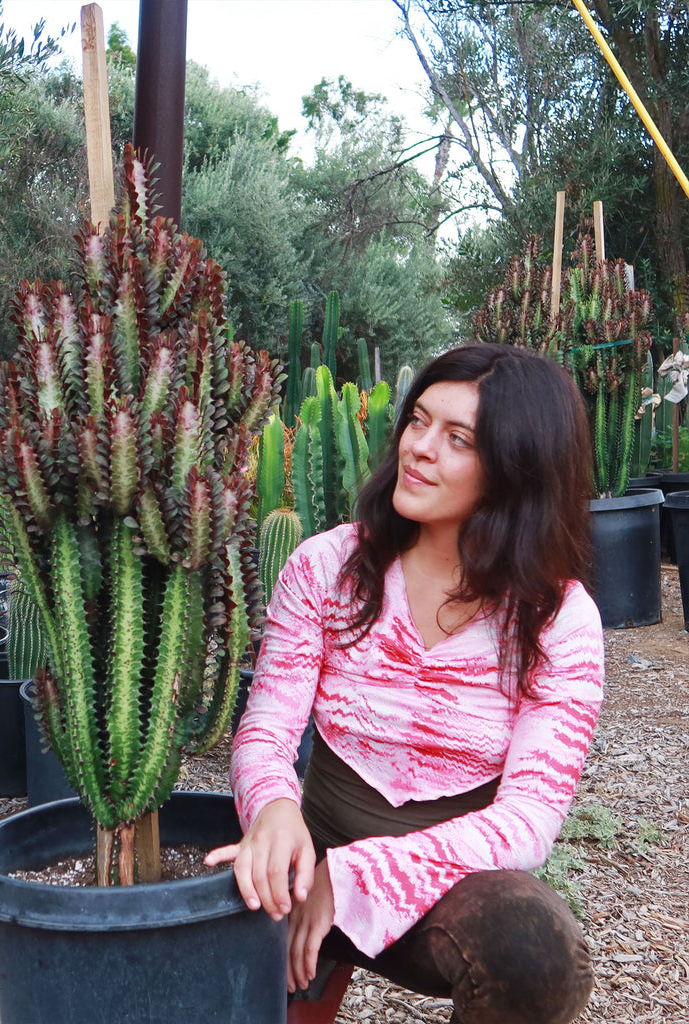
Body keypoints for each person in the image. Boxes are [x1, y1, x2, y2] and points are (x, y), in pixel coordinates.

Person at [206, 344, 605, 1024]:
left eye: (458, 440)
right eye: (418, 421)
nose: (419, 448)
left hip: (441, 886)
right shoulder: (329, 566)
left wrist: (359, 877)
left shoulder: (557, 618)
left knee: (537, 955)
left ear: (518, 469)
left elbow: (530, 819)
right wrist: (274, 814)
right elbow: (267, 732)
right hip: (308, 855)